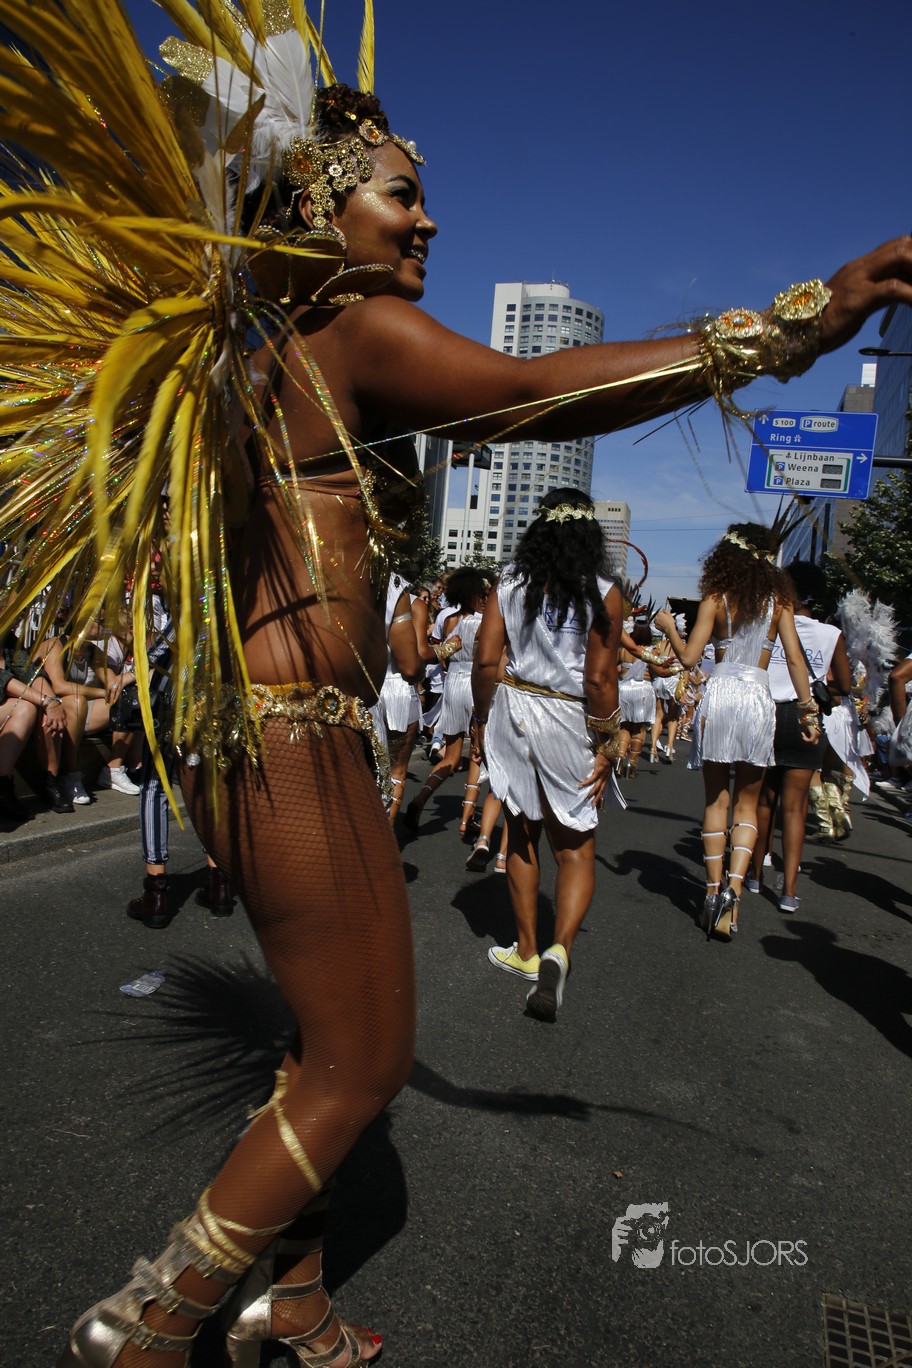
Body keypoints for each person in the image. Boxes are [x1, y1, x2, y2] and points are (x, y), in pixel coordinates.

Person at [0, 7, 910, 1365]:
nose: (427, 220)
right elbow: (542, 393)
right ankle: (152, 1323)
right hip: (289, 741)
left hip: (271, 738)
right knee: (363, 1062)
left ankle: (293, 1299)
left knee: (322, 1042)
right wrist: (798, 324)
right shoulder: (350, 330)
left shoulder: (263, 358)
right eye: (399, 194)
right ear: (319, 208)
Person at [472, 489, 623, 1021]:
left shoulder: (508, 583)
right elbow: (600, 679)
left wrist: (481, 720)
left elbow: (486, 661)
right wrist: (608, 742)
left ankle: (526, 950)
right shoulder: (605, 591)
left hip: (513, 708)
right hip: (568, 718)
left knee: (520, 835)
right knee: (575, 849)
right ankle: (560, 949)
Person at [656, 525, 821, 940]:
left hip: (721, 694)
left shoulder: (716, 598)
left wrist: (669, 628)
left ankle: (712, 891)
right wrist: (808, 712)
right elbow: (796, 660)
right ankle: (734, 893)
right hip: (758, 698)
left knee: (717, 799)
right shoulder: (779, 602)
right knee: (748, 804)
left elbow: (690, 658)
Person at [747, 559, 851, 911]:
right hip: (807, 718)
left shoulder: (770, 622)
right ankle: (789, 890)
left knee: (764, 799)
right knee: (795, 807)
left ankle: (754, 876)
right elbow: (844, 685)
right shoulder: (831, 635)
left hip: (766, 712)